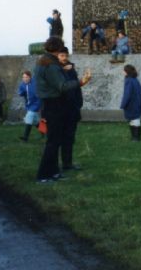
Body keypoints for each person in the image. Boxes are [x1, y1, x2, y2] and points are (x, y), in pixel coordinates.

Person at [34, 36, 92, 183]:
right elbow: (63, 86)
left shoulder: (42, 62)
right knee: (53, 142)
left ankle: (54, 173)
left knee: (55, 140)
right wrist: (82, 82)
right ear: (58, 48)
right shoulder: (51, 65)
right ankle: (43, 175)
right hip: (54, 105)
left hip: (48, 104)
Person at [59, 47, 88, 171]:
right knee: (57, 139)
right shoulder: (55, 70)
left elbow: (76, 87)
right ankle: (54, 165)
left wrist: (78, 104)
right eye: (61, 55)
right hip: (60, 109)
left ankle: (67, 163)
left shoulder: (71, 69)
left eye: (66, 55)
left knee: (70, 138)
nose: (64, 58)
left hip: (73, 109)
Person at [18, 70, 42, 142]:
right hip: (29, 104)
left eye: (26, 77)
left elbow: (39, 94)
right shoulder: (22, 84)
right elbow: (21, 92)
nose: (25, 79)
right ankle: (45, 132)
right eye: (23, 77)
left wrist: (39, 104)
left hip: (36, 103)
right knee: (36, 121)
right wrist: (21, 93)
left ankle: (25, 137)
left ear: (30, 77)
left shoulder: (35, 83)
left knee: (29, 117)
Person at [120, 64, 141, 141]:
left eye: (124, 70)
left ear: (127, 71)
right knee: (135, 119)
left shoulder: (129, 81)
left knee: (134, 119)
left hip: (131, 103)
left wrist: (123, 104)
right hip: (137, 102)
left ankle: (136, 138)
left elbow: (127, 94)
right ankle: (135, 137)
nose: (122, 72)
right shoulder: (135, 79)